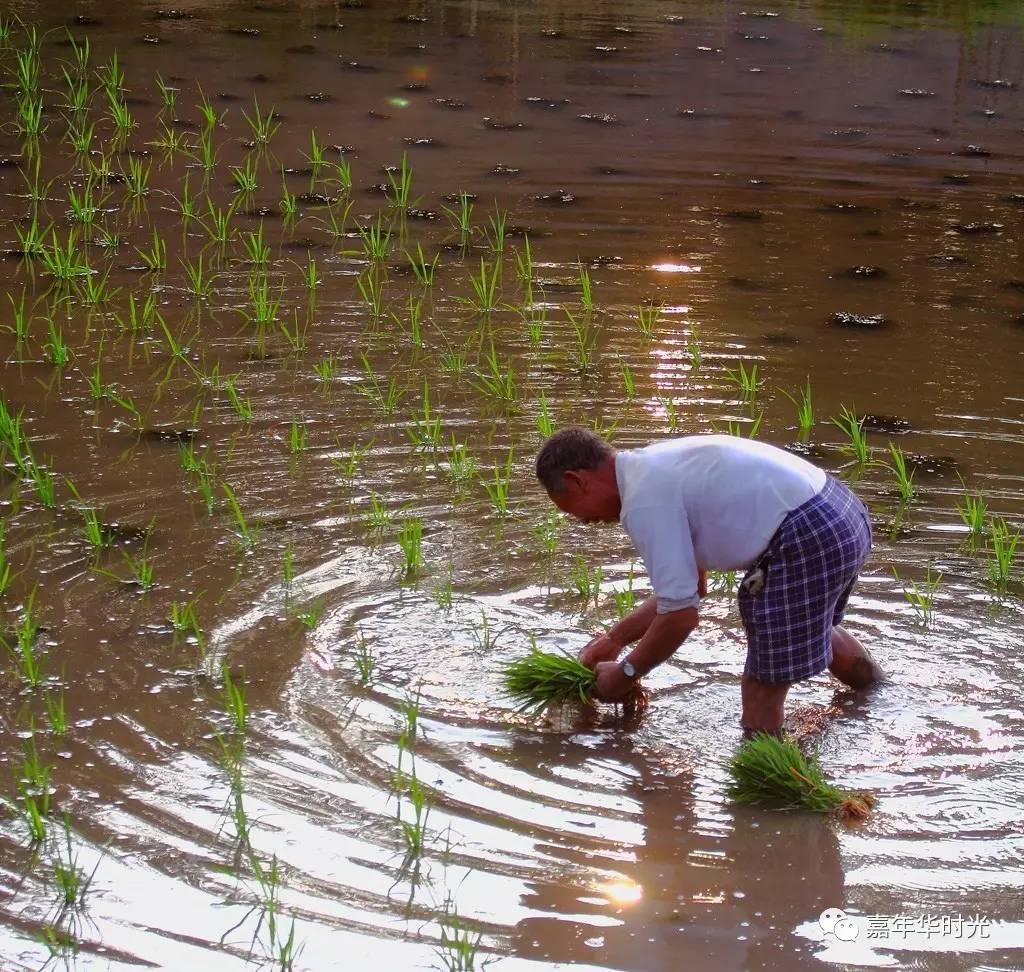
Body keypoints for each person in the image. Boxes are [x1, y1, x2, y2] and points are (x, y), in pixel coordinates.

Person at [534, 427, 884, 736]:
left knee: (761, 684)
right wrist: (614, 639)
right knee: (808, 622)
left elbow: (681, 615)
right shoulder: (651, 467)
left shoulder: (643, 502)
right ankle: (879, 694)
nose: (582, 521)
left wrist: (625, 672)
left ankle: (765, 787)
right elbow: (690, 591)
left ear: (579, 480)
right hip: (839, 510)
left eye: (571, 509)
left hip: (808, 531)